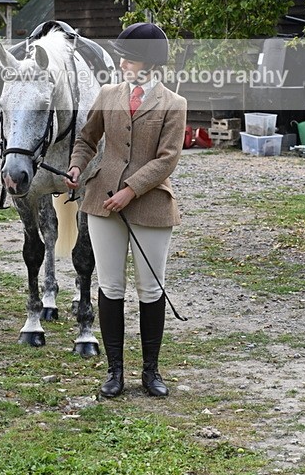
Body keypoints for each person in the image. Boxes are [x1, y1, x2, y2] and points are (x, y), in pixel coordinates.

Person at [64, 22, 187, 399]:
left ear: (149, 64)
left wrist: (131, 190)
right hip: (102, 202)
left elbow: (167, 159)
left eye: (129, 59)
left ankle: (151, 371)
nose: (121, 64)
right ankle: (115, 371)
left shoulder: (174, 104)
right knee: (111, 286)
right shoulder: (108, 94)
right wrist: (76, 167)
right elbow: (87, 139)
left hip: (151, 204)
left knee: (150, 287)